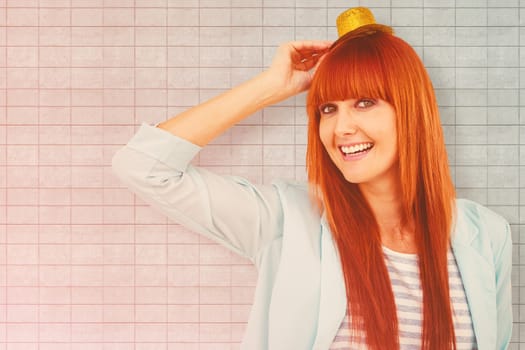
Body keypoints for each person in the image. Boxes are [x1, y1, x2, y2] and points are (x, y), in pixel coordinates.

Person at [112, 6, 512, 350]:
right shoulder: (286, 219)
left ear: (412, 111)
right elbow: (145, 167)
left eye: (364, 103)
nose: (341, 128)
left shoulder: (485, 234)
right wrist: (270, 87)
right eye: (327, 109)